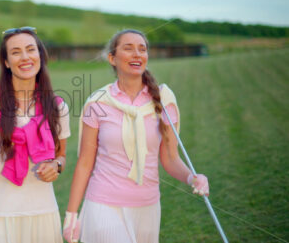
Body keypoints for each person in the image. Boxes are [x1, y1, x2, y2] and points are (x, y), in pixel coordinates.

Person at [63, 29, 209, 243]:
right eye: (128, 48)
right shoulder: (98, 103)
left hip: (148, 206)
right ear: (112, 58)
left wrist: (192, 177)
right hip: (103, 204)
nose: (137, 54)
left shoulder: (164, 100)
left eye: (142, 49)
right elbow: (85, 162)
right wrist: (71, 215)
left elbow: (170, 157)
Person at [0, 26, 70, 243]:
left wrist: (56, 166)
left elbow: (62, 157)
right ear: (7, 62)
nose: (25, 57)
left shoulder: (57, 107)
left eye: (31, 49)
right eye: (16, 52)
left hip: (43, 214)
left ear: (40, 55)